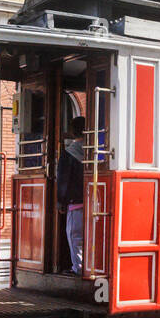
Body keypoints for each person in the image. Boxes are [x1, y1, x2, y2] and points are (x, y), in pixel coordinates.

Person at [57, 116, 86, 275]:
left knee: (74, 237)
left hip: (75, 203)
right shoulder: (94, 150)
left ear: (72, 132)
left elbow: (63, 180)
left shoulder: (69, 153)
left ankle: (78, 268)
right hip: (93, 202)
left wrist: (61, 201)